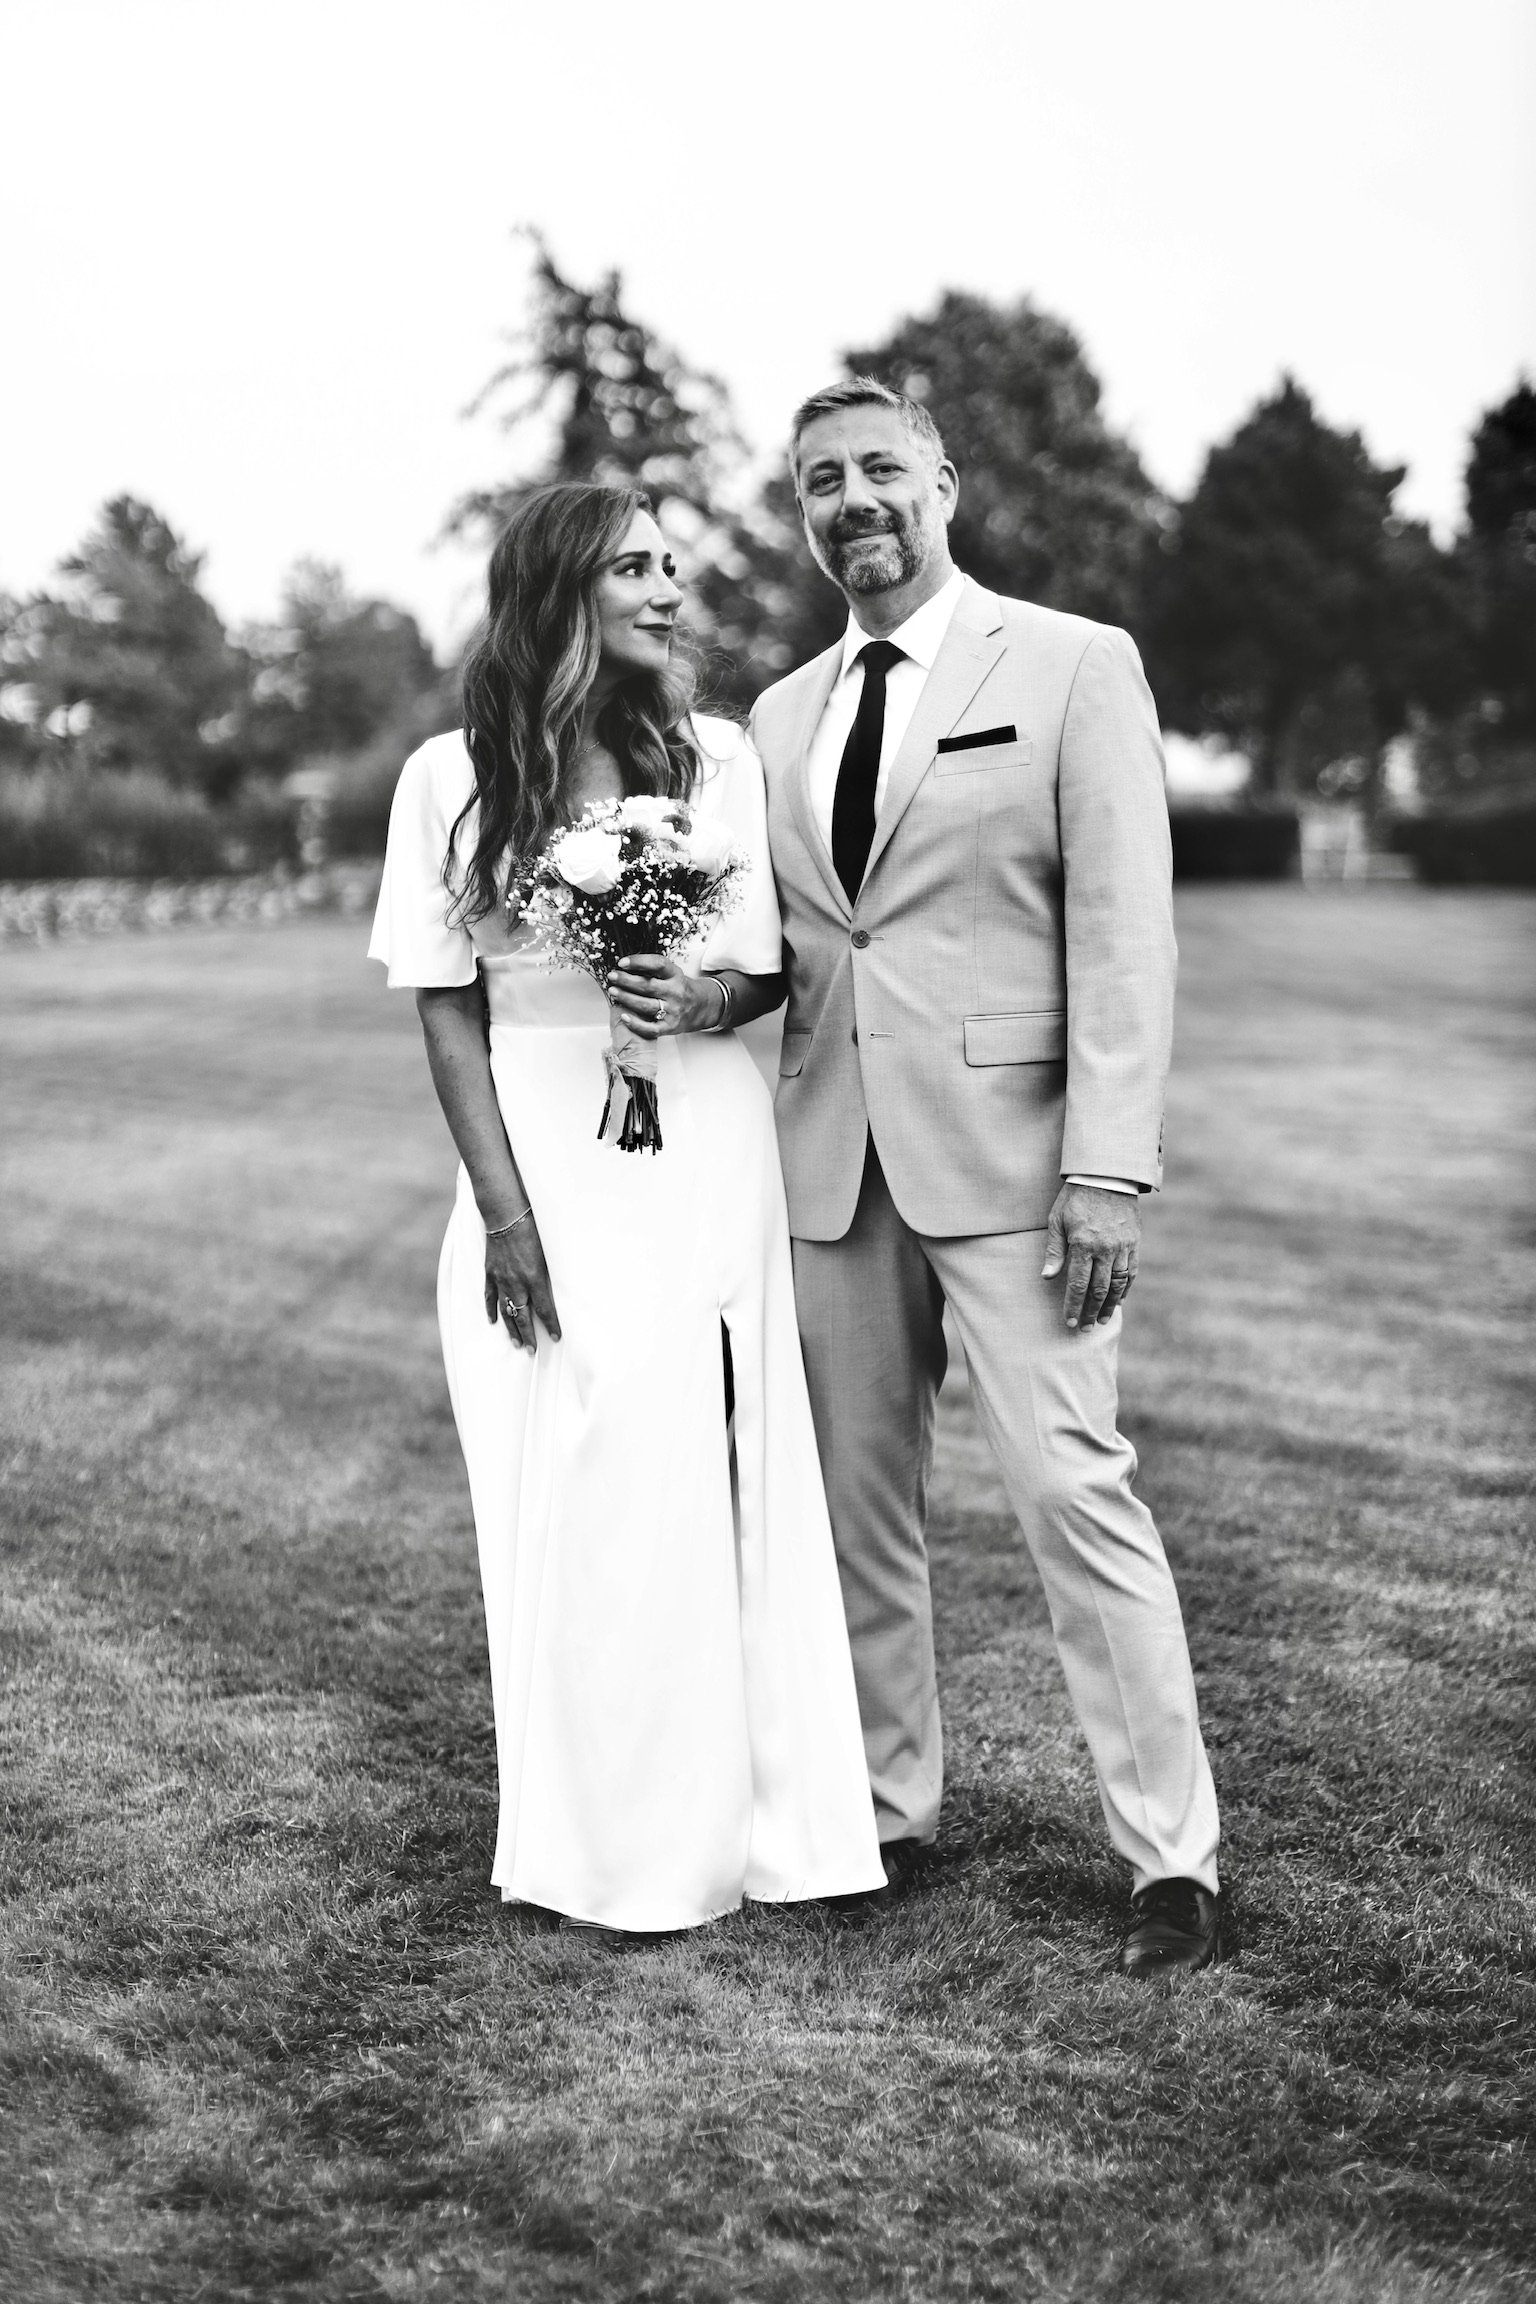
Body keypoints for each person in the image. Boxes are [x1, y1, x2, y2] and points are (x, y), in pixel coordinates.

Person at [749, 379, 1222, 1976]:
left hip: (1024, 1170)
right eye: (822, 481)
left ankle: (1171, 1859)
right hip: (832, 1168)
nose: (853, 500)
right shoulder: (779, 718)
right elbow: (802, 946)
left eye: (880, 467)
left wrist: (1110, 1168)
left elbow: (1125, 934)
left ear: (943, 483)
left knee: (1075, 1494)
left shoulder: (1074, 664)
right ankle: (888, 1809)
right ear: (804, 515)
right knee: (855, 1510)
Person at [368, 482, 884, 1936]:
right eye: (636, 567)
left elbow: (767, 971)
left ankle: (748, 1824)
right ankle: (598, 1837)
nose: (670, 588)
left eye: (672, 564)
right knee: (577, 1466)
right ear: (561, 592)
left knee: (702, 1463)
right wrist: (507, 1217)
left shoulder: (717, 761)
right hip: (542, 1146)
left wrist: (696, 997)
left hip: (701, 1136)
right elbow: (448, 1012)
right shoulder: (448, 779)